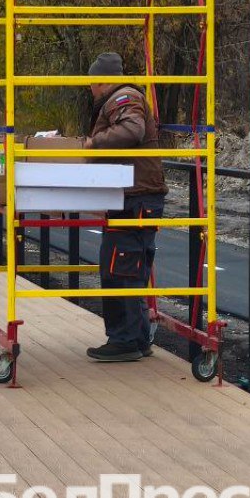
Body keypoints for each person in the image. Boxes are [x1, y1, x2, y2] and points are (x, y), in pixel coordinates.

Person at [83, 52, 167, 363]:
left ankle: (127, 339)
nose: (90, 88)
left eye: (91, 82)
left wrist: (94, 143)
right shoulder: (122, 97)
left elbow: (132, 130)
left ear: (100, 80)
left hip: (137, 196)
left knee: (123, 265)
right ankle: (136, 337)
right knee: (123, 264)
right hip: (132, 195)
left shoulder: (125, 97)